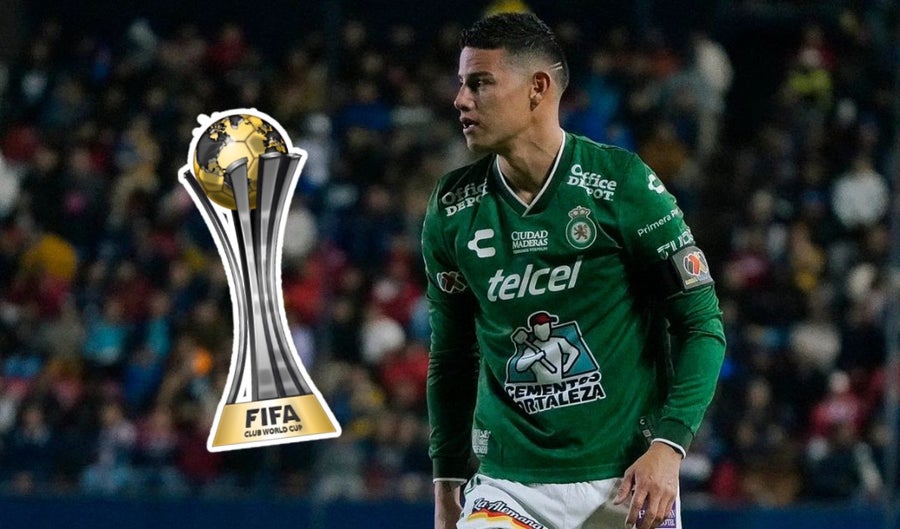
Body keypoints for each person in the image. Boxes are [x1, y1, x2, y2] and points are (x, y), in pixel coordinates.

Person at [421, 12, 726, 529]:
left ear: (537, 88)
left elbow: (702, 326)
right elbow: (451, 357)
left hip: (625, 481)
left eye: (480, 83)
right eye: (461, 83)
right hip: (507, 485)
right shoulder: (453, 207)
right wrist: (447, 482)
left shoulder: (622, 185)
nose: (460, 100)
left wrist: (669, 446)